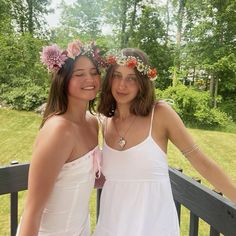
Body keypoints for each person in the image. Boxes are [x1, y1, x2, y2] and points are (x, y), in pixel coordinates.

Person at [93, 48, 236, 236]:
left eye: (131, 78)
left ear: (143, 82)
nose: (122, 85)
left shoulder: (160, 114)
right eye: (117, 76)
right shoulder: (105, 122)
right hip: (112, 225)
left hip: (154, 226)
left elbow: (202, 162)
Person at [16, 39, 104, 236]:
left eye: (94, 72)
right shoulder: (58, 130)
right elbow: (32, 211)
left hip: (80, 229)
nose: (89, 79)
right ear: (63, 80)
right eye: (79, 74)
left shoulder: (92, 123)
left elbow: (80, 177)